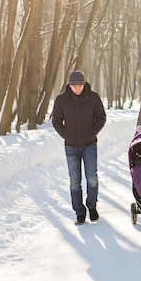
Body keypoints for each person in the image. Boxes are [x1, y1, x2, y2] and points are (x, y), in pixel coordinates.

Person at [52, 70, 107, 225]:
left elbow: (101, 117)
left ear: (84, 84)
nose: (77, 88)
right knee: (75, 180)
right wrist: (66, 135)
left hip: (90, 144)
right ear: (69, 85)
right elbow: (56, 121)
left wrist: (92, 132)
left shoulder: (93, 97)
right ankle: (79, 212)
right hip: (71, 146)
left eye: (79, 85)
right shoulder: (62, 99)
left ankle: (92, 206)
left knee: (92, 177)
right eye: (74, 85)